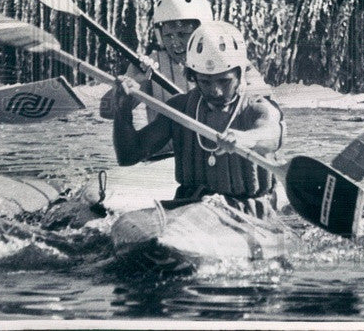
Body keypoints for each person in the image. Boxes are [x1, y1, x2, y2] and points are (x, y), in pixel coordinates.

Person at [112, 21, 284, 218]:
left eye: (224, 81)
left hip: (249, 212)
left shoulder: (258, 108)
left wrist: (246, 139)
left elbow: (272, 134)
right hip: (189, 208)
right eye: (205, 81)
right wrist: (123, 109)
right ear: (192, 77)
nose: (216, 91)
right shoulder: (179, 108)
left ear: (240, 74)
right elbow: (128, 156)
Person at [100, 0, 269, 126]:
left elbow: (266, 105)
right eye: (168, 35)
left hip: (218, 153)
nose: (175, 43)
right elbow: (106, 112)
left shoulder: (232, 61)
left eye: (182, 34)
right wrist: (131, 86)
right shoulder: (148, 66)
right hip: (165, 159)